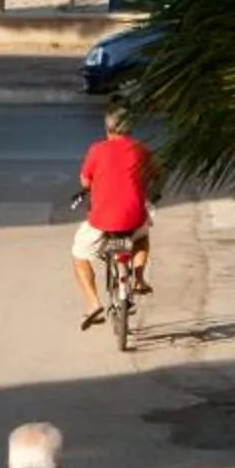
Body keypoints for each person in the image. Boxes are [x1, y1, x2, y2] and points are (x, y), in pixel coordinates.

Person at [71, 107, 159, 331]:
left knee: (79, 255)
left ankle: (93, 303)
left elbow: (85, 182)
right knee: (142, 236)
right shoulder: (141, 149)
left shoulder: (97, 150)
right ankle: (138, 278)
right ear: (129, 129)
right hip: (133, 220)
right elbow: (156, 173)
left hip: (101, 222)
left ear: (107, 128)